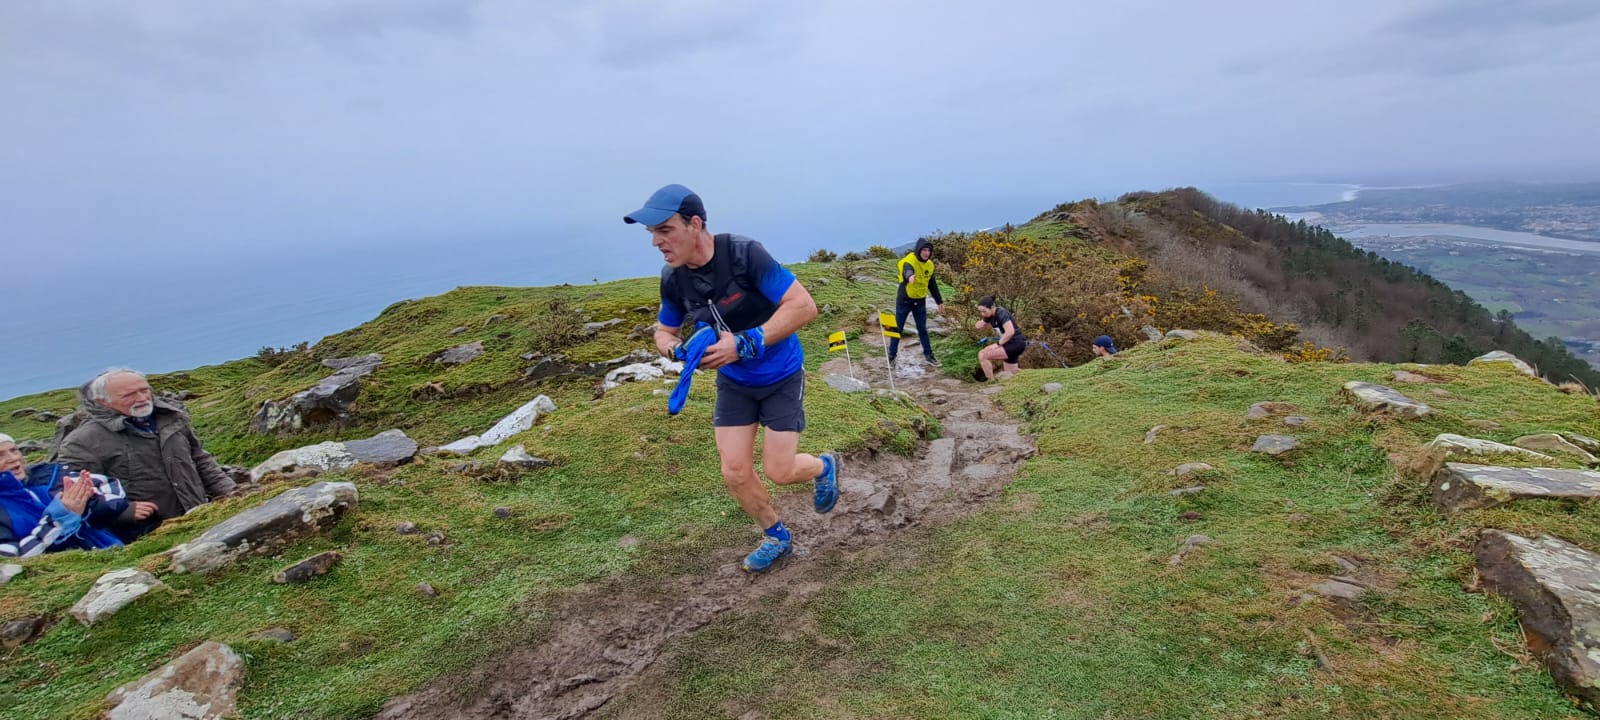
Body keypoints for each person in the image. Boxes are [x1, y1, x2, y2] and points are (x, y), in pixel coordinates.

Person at [628, 183, 840, 573]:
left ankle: (824, 466)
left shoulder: (744, 255)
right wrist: (676, 349)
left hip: (781, 375)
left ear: (695, 224)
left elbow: (803, 306)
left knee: (780, 470)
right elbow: (664, 330)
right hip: (735, 384)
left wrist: (746, 342)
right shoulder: (673, 278)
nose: (657, 242)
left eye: (665, 230)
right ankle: (777, 536)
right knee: (735, 472)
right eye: (652, 234)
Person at [55, 369, 236, 542]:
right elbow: (71, 492)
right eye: (129, 395)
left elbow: (199, 459)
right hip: (145, 535)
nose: (141, 398)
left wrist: (230, 491)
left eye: (144, 390)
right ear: (102, 401)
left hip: (200, 515)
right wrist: (121, 512)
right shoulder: (82, 441)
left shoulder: (172, 417)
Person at [1, 433, 126, 557]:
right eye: (1, 455)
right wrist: (58, 520)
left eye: (14, 450)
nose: (13, 458)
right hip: (64, 573)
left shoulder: (45, 477)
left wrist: (90, 501)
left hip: (114, 555)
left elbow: (108, 484)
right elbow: (9, 558)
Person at [888, 238, 944, 368]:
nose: (926, 253)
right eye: (924, 250)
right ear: (918, 250)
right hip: (904, 300)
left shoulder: (929, 265)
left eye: (928, 250)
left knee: (922, 329)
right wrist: (910, 276)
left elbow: (932, 284)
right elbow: (907, 269)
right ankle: (891, 357)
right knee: (897, 329)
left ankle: (929, 356)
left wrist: (939, 301)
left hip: (920, 301)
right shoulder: (909, 260)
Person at [975, 296, 1027, 381]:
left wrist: (996, 345)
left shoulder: (1001, 313)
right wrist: (979, 324)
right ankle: (1032, 378)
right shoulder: (990, 315)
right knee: (1011, 374)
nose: (982, 314)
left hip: (1016, 343)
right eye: (980, 312)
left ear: (992, 307)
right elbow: (984, 321)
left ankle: (990, 382)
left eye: (984, 311)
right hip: (1009, 343)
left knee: (983, 355)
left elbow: (1010, 332)